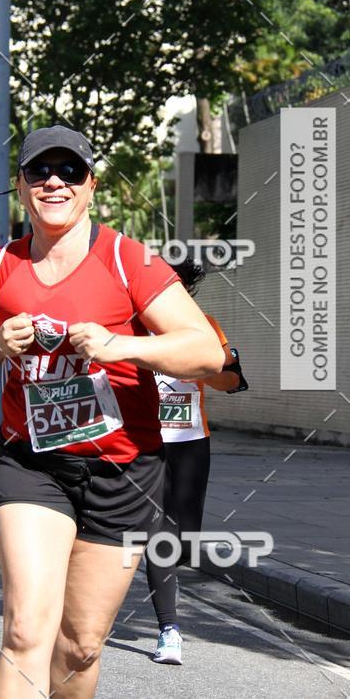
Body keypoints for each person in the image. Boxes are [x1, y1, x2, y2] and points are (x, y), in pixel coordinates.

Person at [0, 125, 225, 699]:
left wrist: (121, 346)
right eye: (39, 172)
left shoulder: (130, 260)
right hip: (32, 466)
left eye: (70, 171)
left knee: (80, 646)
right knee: (25, 631)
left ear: (91, 185)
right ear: (21, 188)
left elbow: (206, 352)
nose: (54, 182)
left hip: (124, 473)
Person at [146, 256, 248, 665]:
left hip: (190, 442)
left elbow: (234, 381)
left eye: (178, 287)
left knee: (185, 541)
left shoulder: (205, 326)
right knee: (161, 535)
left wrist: (201, 369)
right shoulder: (132, 328)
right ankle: (168, 628)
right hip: (143, 444)